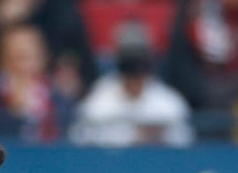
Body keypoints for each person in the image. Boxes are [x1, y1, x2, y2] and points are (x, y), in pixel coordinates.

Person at [69, 20, 194, 148]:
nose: (134, 78)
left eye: (139, 66)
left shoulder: (168, 104)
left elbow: (185, 144)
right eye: (128, 67)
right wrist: (130, 137)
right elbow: (79, 141)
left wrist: (160, 137)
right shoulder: (98, 101)